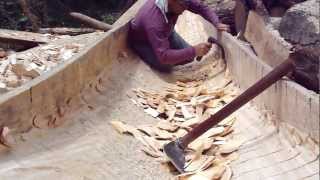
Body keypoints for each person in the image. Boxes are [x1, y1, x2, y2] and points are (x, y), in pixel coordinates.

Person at [128, 0, 230, 72]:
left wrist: (216, 22)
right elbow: (163, 57)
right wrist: (194, 50)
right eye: (183, 6)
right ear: (171, 1)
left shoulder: (181, 2)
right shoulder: (154, 21)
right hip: (144, 42)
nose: (185, 8)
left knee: (188, 58)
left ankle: (168, 49)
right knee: (166, 66)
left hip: (166, 33)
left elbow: (201, 7)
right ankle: (157, 52)